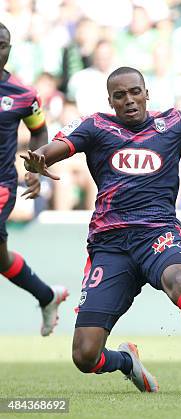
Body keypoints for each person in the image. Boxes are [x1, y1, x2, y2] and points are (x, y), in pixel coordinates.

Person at [22, 66, 181, 393]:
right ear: (111, 100)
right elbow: (54, 150)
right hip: (110, 244)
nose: (129, 100)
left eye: (135, 92)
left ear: (146, 93)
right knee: (84, 355)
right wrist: (39, 161)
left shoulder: (174, 122)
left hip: (157, 233)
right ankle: (126, 361)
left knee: (179, 279)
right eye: (120, 96)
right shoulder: (96, 126)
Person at [0, 22, 68, 336]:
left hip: (2, 185)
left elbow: (38, 129)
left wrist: (34, 167)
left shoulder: (23, 94)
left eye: (1, 45)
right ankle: (47, 295)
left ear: (9, 49)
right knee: (2, 260)